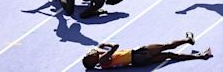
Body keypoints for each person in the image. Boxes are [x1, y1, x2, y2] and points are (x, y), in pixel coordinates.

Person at [82, 32, 212, 69]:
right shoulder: (102, 59)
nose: (89, 53)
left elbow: (99, 47)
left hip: (138, 62)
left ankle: (201, 56)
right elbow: (115, 46)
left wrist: (98, 48)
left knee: (171, 55)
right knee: (166, 46)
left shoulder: (101, 63)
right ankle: (188, 40)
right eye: (88, 56)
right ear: (92, 61)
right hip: (137, 54)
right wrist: (104, 46)